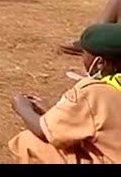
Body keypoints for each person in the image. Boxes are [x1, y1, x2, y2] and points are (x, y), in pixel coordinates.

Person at [8, 23, 121, 164]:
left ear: (99, 63)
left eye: (83, 53)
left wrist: (21, 106)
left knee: (28, 141)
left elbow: (44, 132)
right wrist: (53, 112)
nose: (82, 58)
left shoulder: (92, 92)